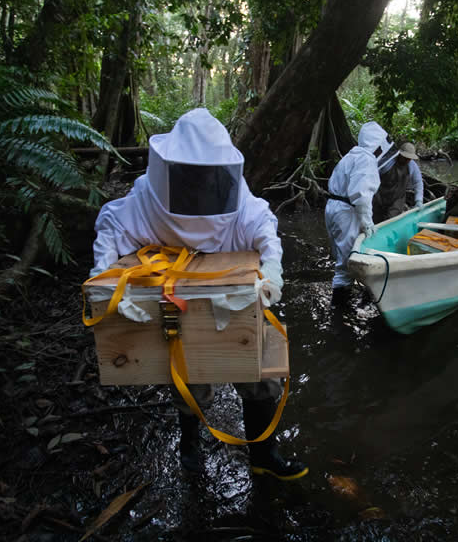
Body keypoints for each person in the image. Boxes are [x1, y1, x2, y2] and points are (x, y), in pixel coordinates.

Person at [90, 108, 308, 480]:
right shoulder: (147, 197)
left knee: (260, 371)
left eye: (207, 176)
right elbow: (112, 224)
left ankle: (264, 455)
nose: (200, 185)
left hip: (233, 298)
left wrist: (272, 271)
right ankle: (190, 451)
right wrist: (103, 281)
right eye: (191, 176)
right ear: (171, 170)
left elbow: (263, 226)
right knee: (188, 376)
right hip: (178, 304)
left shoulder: (234, 194)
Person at [324, 121, 390, 307]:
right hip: (346, 212)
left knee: (341, 256)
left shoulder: (352, 155)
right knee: (346, 263)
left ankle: (342, 299)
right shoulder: (366, 159)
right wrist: (367, 222)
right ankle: (339, 309)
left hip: (333, 207)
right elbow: (361, 197)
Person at [372, 141, 424, 223]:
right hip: (380, 196)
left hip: (397, 199)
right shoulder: (387, 162)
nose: (407, 160)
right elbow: (373, 177)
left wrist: (419, 200)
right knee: (375, 220)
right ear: (399, 154)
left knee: (391, 221)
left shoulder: (412, 166)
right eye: (405, 158)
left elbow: (418, 183)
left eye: (409, 159)